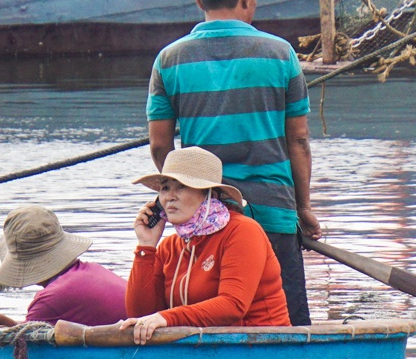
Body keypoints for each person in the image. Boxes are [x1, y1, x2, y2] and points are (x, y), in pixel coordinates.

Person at [147, 0, 317, 326]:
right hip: (273, 209)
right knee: (285, 320)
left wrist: (183, 189)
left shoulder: (169, 59)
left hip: (205, 212)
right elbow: (299, 140)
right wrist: (303, 209)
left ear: (199, 1)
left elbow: (160, 146)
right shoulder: (279, 53)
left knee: (208, 316)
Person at [122, 146, 291, 344]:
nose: (169, 197)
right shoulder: (169, 246)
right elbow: (142, 314)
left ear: (209, 195)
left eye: (181, 186)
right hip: (203, 348)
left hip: (262, 345)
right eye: (165, 188)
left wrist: (168, 317)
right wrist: (146, 247)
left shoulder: (242, 231)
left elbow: (232, 305)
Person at [0, 205, 128, 329]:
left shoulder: (50, 299)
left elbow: (24, 341)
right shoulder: (93, 270)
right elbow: (34, 329)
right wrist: (0, 319)